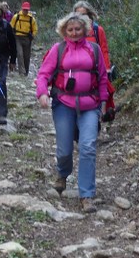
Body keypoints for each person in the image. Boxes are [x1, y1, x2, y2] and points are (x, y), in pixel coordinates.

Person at [35, 12, 109, 214]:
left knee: (87, 147)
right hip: (63, 103)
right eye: (70, 29)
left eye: (78, 29)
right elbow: (43, 74)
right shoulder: (58, 50)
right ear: (64, 31)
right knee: (64, 148)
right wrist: (42, 93)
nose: (75, 32)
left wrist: (104, 103)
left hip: (90, 104)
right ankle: (62, 174)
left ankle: (86, 195)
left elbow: (102, 77)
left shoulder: (93, 49)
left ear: (84, 30)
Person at [73, 0, 116, 121]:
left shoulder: (98, 30)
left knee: (97, 96)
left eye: (84, 14)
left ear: (89, 15)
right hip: (78, 71)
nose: (81, 17)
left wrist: (106, 69)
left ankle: (96, 120)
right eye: (78, 15)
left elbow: (104, 50)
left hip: (96, 71)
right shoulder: (73, 30)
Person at [10, 1, 38, 76]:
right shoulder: (16, 16)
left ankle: (26, 71)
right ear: (22, 8)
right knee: (19, 54)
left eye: (27, 10)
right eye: (24, 9)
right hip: (18, 37)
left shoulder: (31, 19)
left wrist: (32, 35)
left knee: (26, 56)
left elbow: (35, 29)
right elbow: (11, 26)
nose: (25, 11)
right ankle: (21, 72)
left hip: (27, 38)